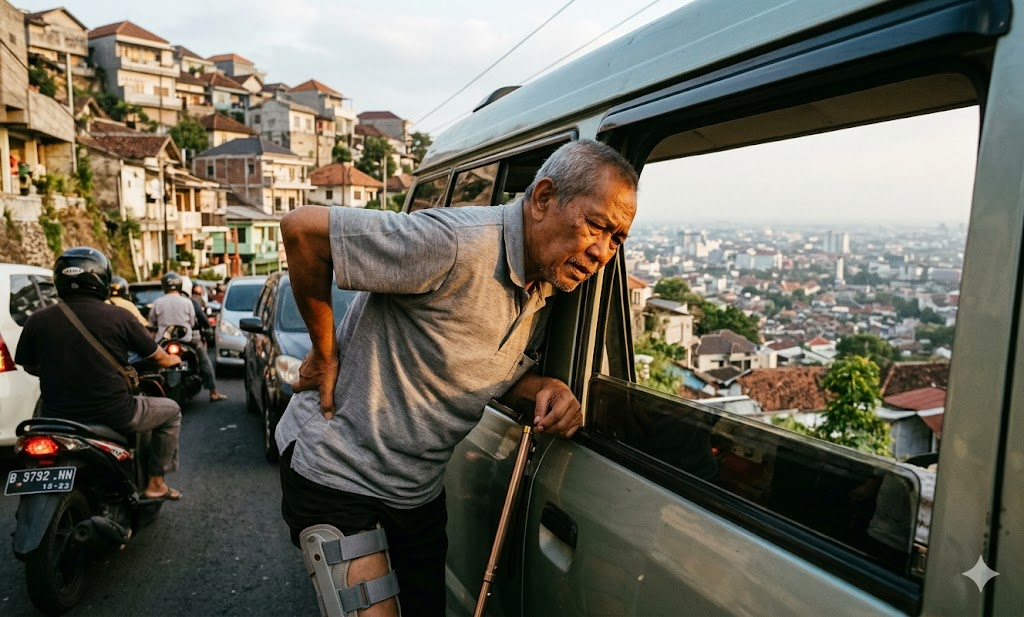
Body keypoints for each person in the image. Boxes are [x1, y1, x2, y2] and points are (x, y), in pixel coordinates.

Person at [276, 139, 638, 615]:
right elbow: (303, 230)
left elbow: (479, 364)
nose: (602, 253)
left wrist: (545, 387)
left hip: (417, 492)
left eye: (617, 240)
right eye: (596, 226)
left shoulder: (547, 284)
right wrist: (324, 354)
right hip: (340, 469)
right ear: (544, 198)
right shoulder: (455, 244)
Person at [15, 247, 185, 500]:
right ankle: (156, 483)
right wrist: (173, 359)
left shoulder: (37, 320)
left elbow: (29, 366)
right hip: (115, 413)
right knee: (171, 411)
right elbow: (157, 356)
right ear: (101, 278)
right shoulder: (120, 316)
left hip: (55, 417)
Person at [149, 272, 227, 402]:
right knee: (204, 361)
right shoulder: (187, 302)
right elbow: (191, 322)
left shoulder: (157, 302)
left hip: (163, 340)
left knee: (151, 361)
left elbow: (152, 322)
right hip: (186, 339)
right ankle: (213, 392)